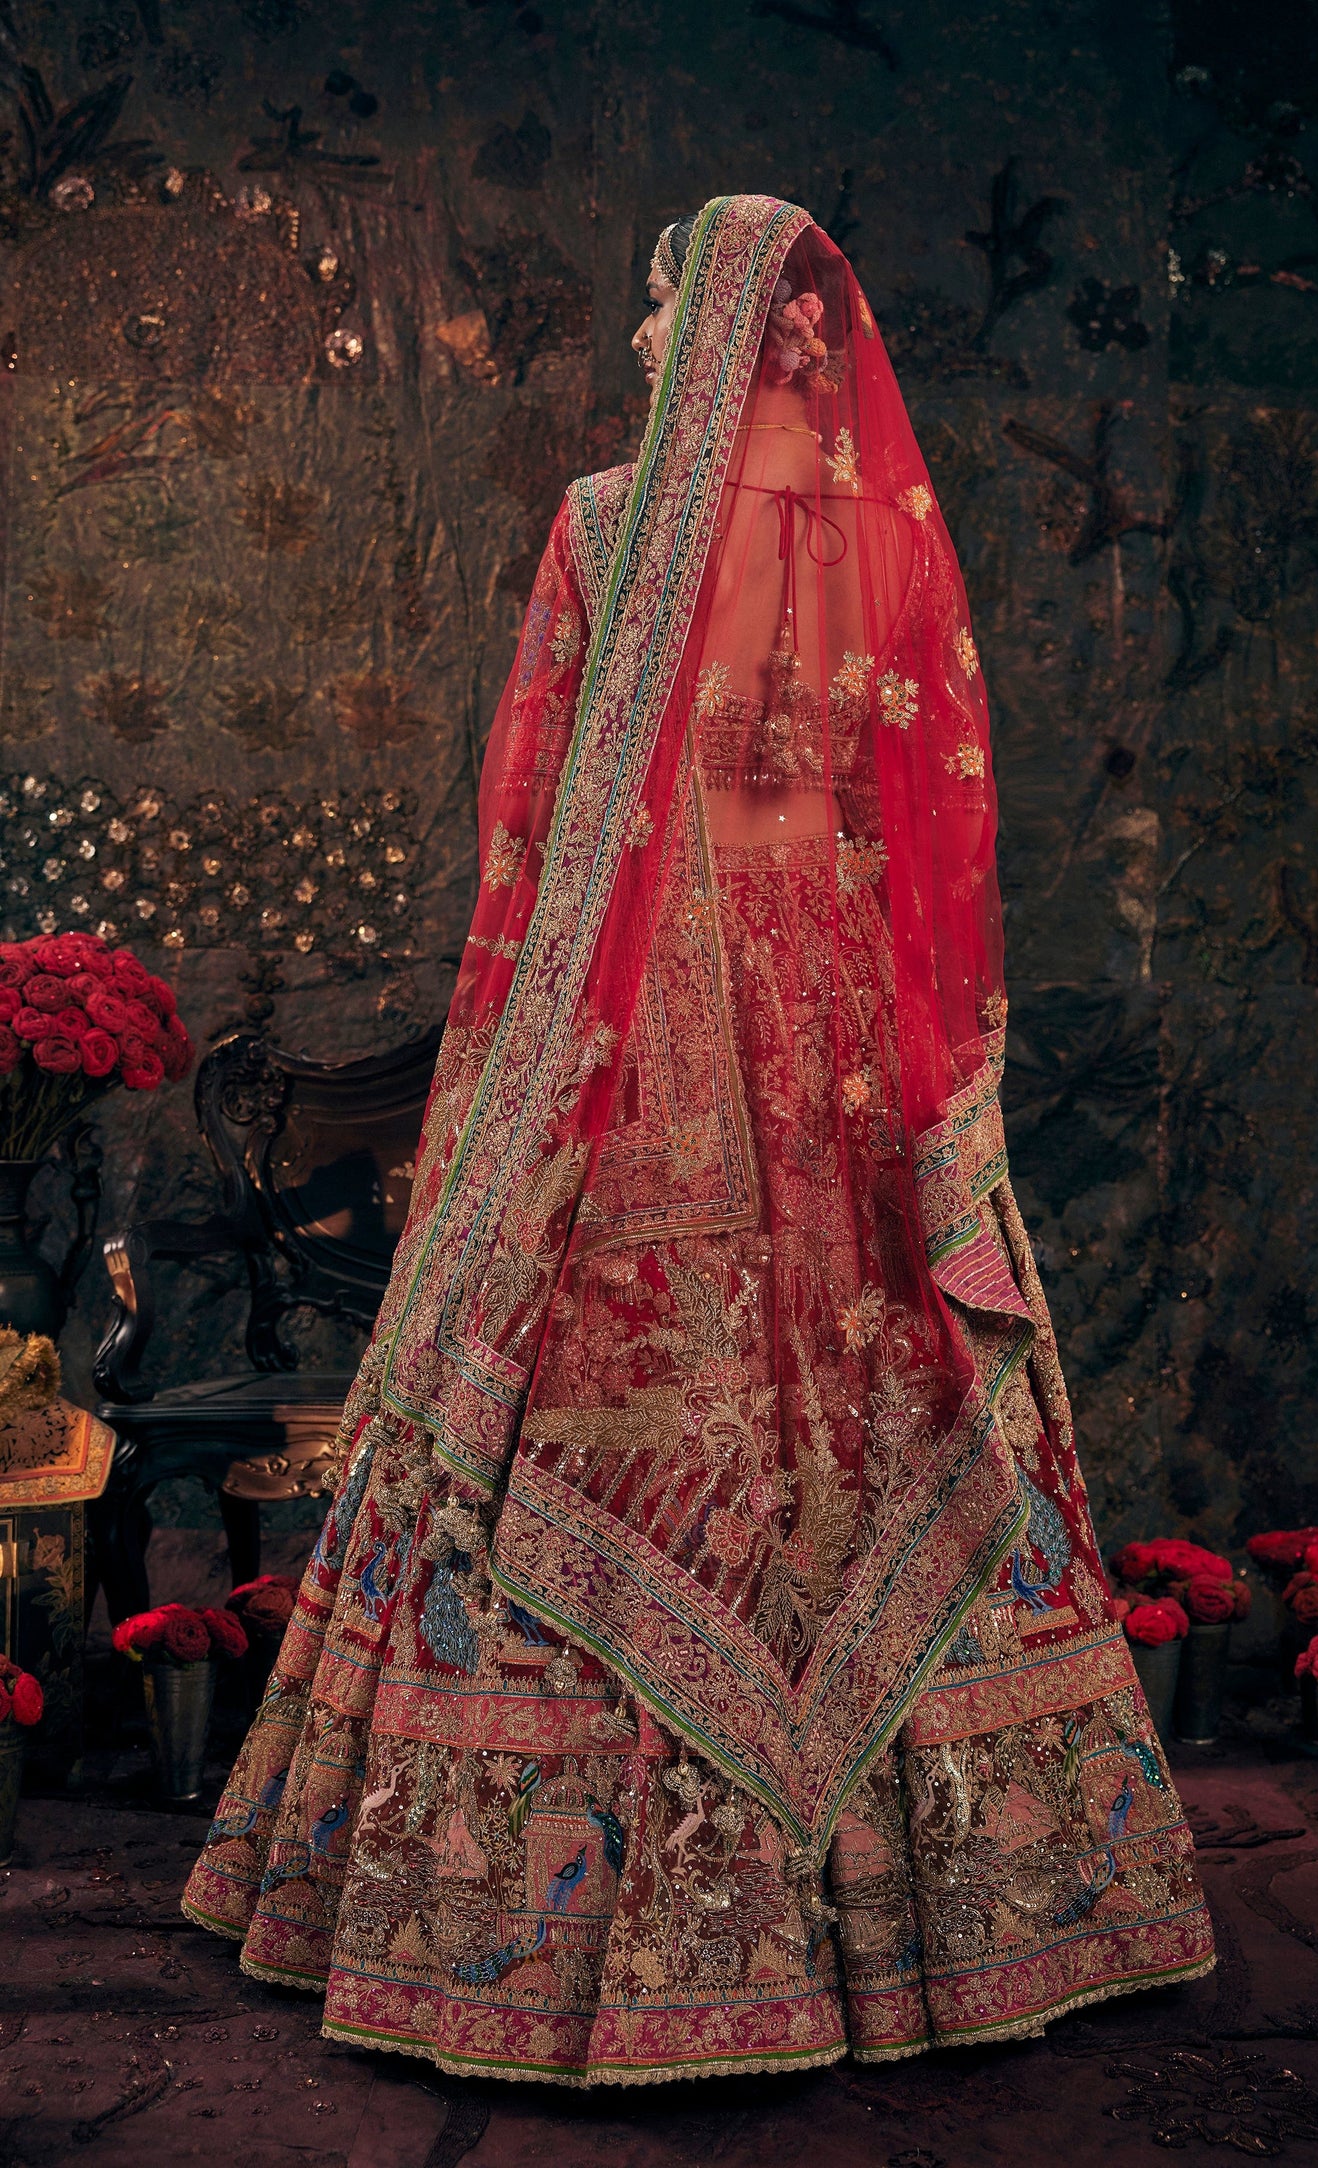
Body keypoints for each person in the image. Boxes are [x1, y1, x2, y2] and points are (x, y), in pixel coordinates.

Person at [184, 195, 1212, 2085]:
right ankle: (964, 1906)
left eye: (667, 304)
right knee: (876, 1377)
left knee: (614, 1385)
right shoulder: (884, 544)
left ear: (727, 323)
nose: (652, 338)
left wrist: (518, 1074)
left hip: (640, 1001)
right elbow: (922, 833)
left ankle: (522, 1905)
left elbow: (540, 815)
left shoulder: (598, 523)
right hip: (836, 1024)